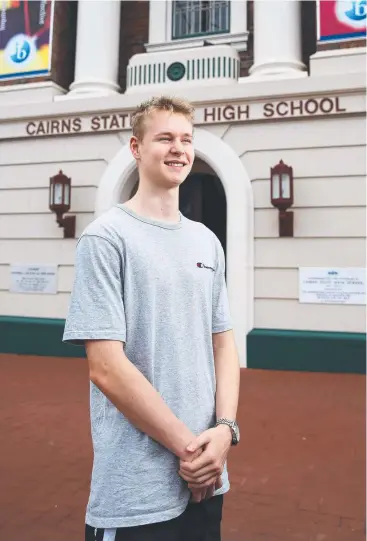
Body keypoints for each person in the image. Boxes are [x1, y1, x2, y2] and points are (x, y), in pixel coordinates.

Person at [63, 95, 240, 541]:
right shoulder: (106, 237)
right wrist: (190, 450)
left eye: (186, 139)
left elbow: (223, 342)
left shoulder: (207, 242)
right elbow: (106, 366)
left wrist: (224, 431)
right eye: (164, 137)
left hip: (205, 475)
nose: (178, 148)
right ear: (136, 148)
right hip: (136, 490)